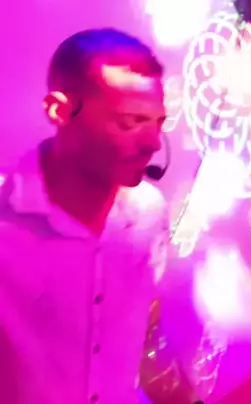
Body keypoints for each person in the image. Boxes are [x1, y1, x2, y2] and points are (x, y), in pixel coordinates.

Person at [0, 29, 169, 404]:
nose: (154, 143)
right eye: (130, 122)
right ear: (60, 111)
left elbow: (144, 339)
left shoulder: (150, 210)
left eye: (158, 123)